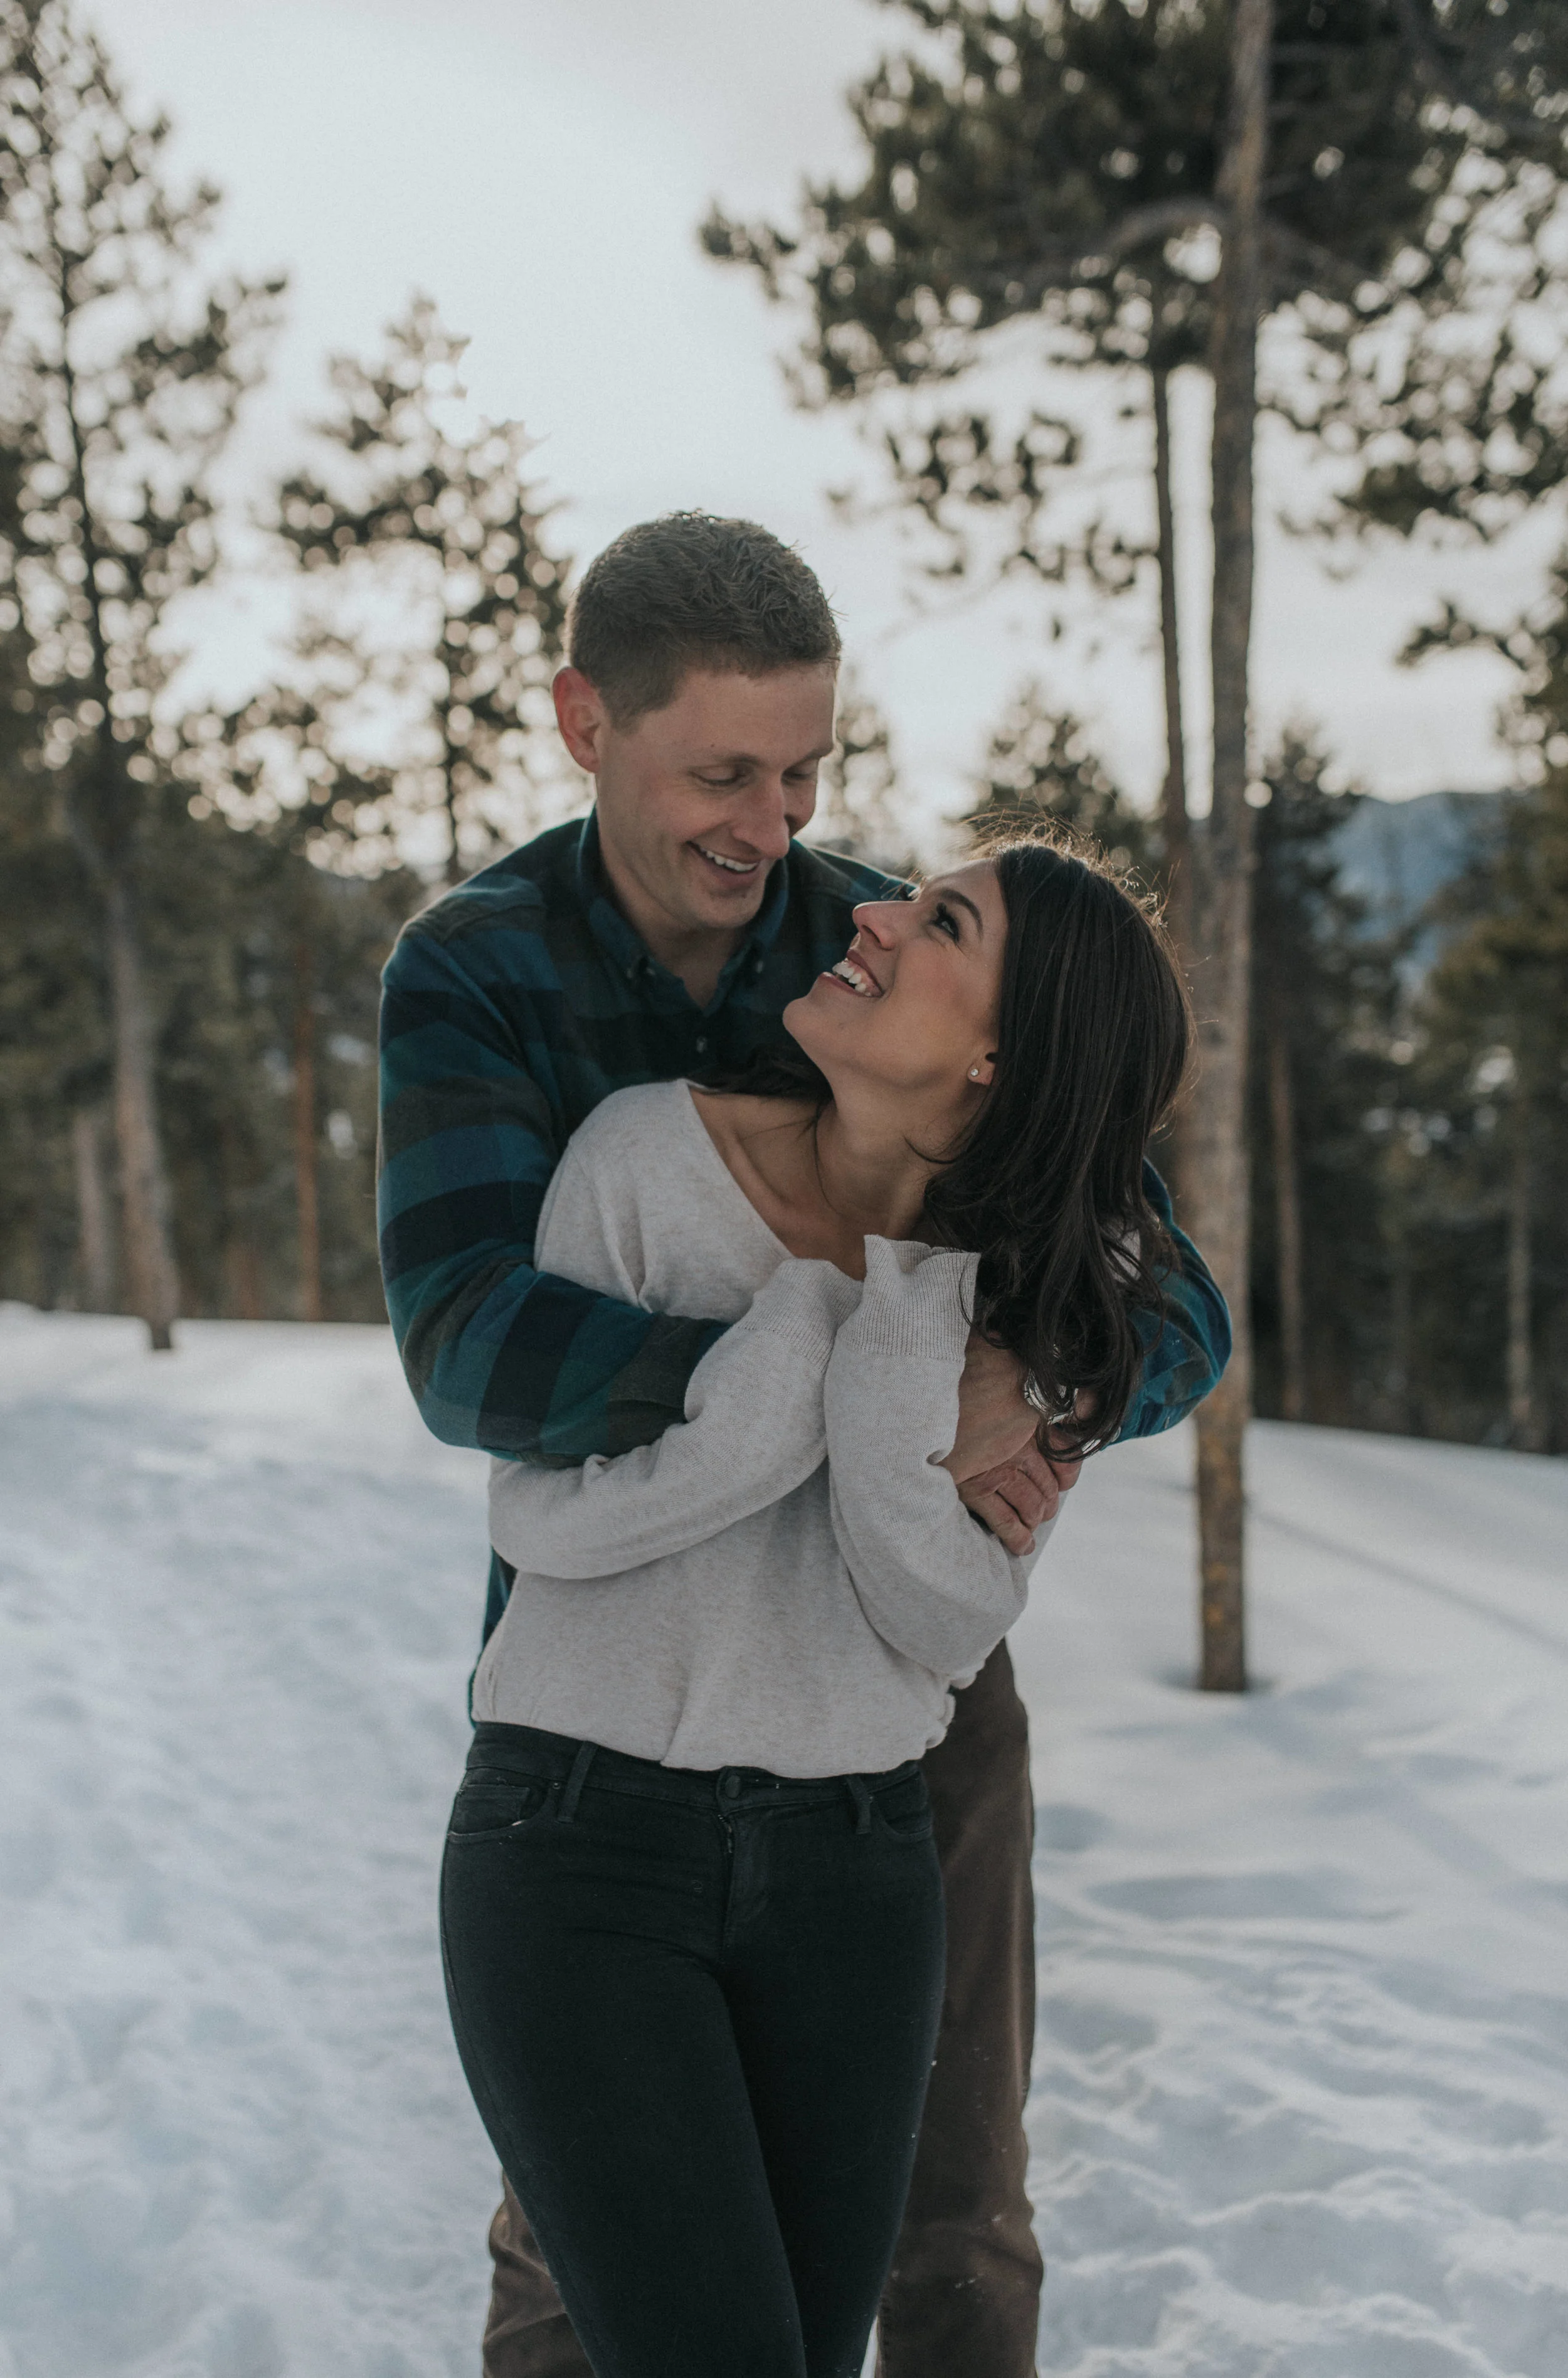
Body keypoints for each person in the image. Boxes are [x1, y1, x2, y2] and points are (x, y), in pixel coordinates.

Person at [377, 513, 1230, 2378]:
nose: (771, 829)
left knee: (949, 2207)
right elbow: (466, 1351)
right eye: (720, 773)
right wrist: (800, 1380)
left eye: (802, 770)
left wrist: (1032, 1374)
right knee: (581, 2250)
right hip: (616, 1686)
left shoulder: (893, 955)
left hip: (895, 1713)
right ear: (583, 719)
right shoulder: (481, 974)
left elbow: (1172, 1296)